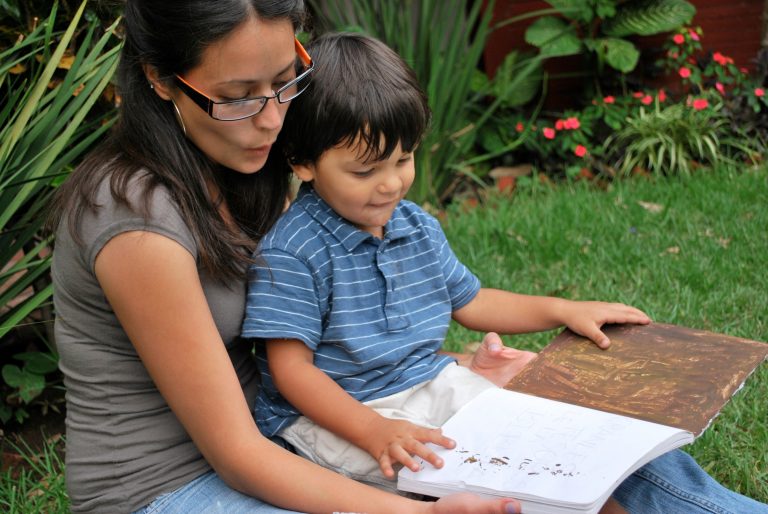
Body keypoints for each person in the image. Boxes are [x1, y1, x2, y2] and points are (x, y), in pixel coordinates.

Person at [242, 32, 768, 514]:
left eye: (404, 160)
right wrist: (374, 430)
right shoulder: (294, 252)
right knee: (481, 484)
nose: (391, 185)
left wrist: (562, 309)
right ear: (303, 162)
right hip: (340, 414)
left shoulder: (413, 225)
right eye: (365, 171)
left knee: (559, 445)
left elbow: (470, 302)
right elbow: (292, 373)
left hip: (428, 384)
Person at [48, 2, 522, 513]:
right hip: (170, 488)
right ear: (161, 80)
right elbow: (237, 455)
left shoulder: (244, 165)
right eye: (238, 97)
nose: (273, 118)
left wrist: (439, 370)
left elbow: (325, 329)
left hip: (279, 441)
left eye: (284, 80)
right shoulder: (135, 221)